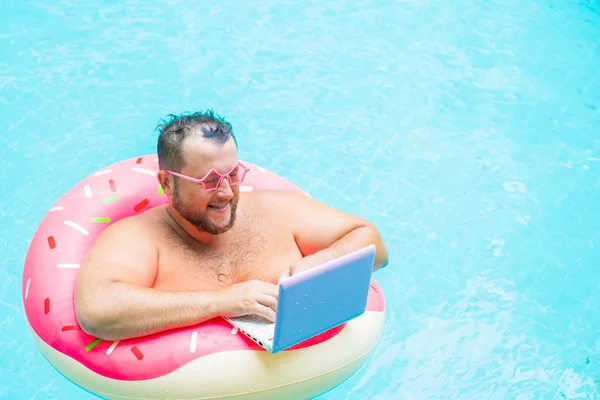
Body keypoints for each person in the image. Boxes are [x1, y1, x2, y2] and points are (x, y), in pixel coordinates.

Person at [74, 110, 389, 341]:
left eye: (233, 175)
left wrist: (320, 262)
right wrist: (223, 301)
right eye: (209, 181)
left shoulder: (277, 209)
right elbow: (96, 310)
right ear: (167, 183)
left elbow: (372, 243)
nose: (225, 192)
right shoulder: (138, 238)